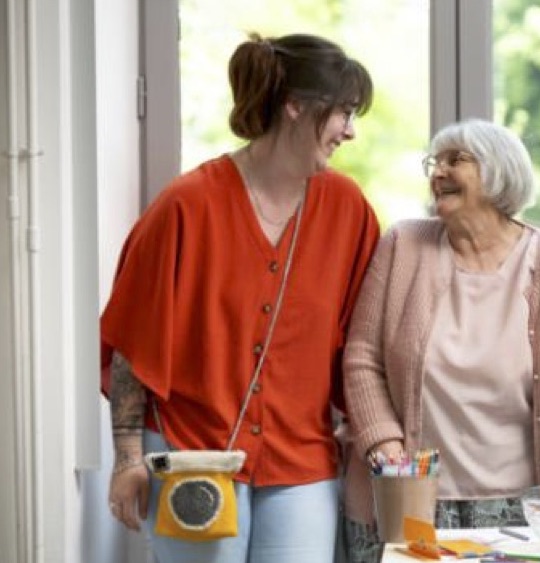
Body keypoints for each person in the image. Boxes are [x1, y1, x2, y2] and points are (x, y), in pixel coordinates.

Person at [100, 32, 379, 563]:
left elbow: (364, 338)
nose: (350, 130)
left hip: (301, 459)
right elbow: (131, 350)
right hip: (193, 452)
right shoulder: (185, 207)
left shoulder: (348, 210)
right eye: (343, 112)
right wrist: (127, 459)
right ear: (296, 106)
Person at [340, 119, 540, 562]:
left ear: (500, 172)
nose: (438, 172)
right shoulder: (404, 244)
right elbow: (362, 358)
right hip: (407, 496)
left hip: (520, 505)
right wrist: (384, 444)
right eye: (434, 162)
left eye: (456, 160)